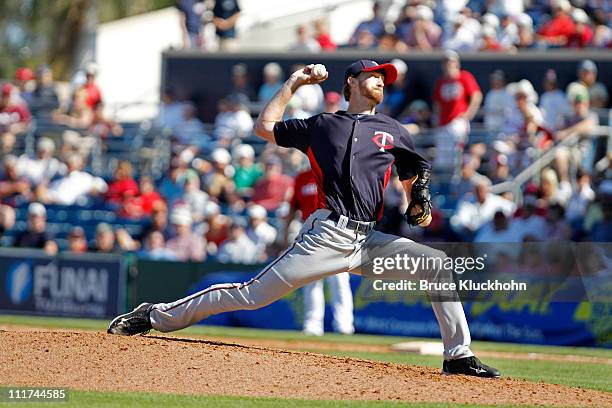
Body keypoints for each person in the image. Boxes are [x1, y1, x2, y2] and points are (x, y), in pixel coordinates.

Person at [108, 59, 500, 378]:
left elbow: (413, 172)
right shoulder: (322, 124)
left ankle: (457, 355)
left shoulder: (394, 129)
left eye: (384, 77)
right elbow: (264, 127)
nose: (381, 80)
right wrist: (294, 82)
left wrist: (416, 199)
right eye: (374, 74)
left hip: (367, 242)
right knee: (250, 295)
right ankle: (155, 315)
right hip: (327, 235)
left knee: (437, 265)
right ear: (352, 81)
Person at [288, 167, 354, 336]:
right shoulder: (302, 177)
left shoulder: (335, 174)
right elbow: (292, 207)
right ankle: (312, 325)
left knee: (339, 281)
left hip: (335, 233)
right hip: (310, 233)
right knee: (310, 281)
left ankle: (344, 325)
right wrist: (284, 232)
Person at [432, 50, 482, 172]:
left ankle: (456, 180)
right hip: (443, 123)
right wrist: (436, 119)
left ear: (457, 64)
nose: (448, 66)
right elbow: (437, 104)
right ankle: (444, 187)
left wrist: (467, 115)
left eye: (451, 63)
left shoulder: (464, 76)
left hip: (457, 121)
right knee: (442, 159)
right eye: (446, 63)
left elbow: (476, 96)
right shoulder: (441, 81)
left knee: (455, 155)